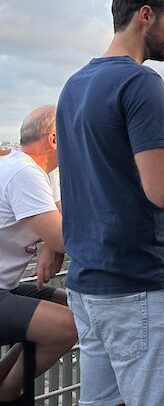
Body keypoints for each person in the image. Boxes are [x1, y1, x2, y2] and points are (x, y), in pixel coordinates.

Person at [56, 0, 164, 406]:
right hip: (140, 285)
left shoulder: (74, 86)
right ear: (145, 16)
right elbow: (162, 189)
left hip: (88, 284)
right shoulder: (140, 83)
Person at [0, 107, 78, 403]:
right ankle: (8, 394)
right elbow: (66, 237)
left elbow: (60, 218)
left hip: (5, 287)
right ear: (55, 139)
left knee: (73, 305)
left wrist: (49, 245)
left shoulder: (38, 168)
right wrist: (54, 241)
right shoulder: (24, 173)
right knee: (68, 325)